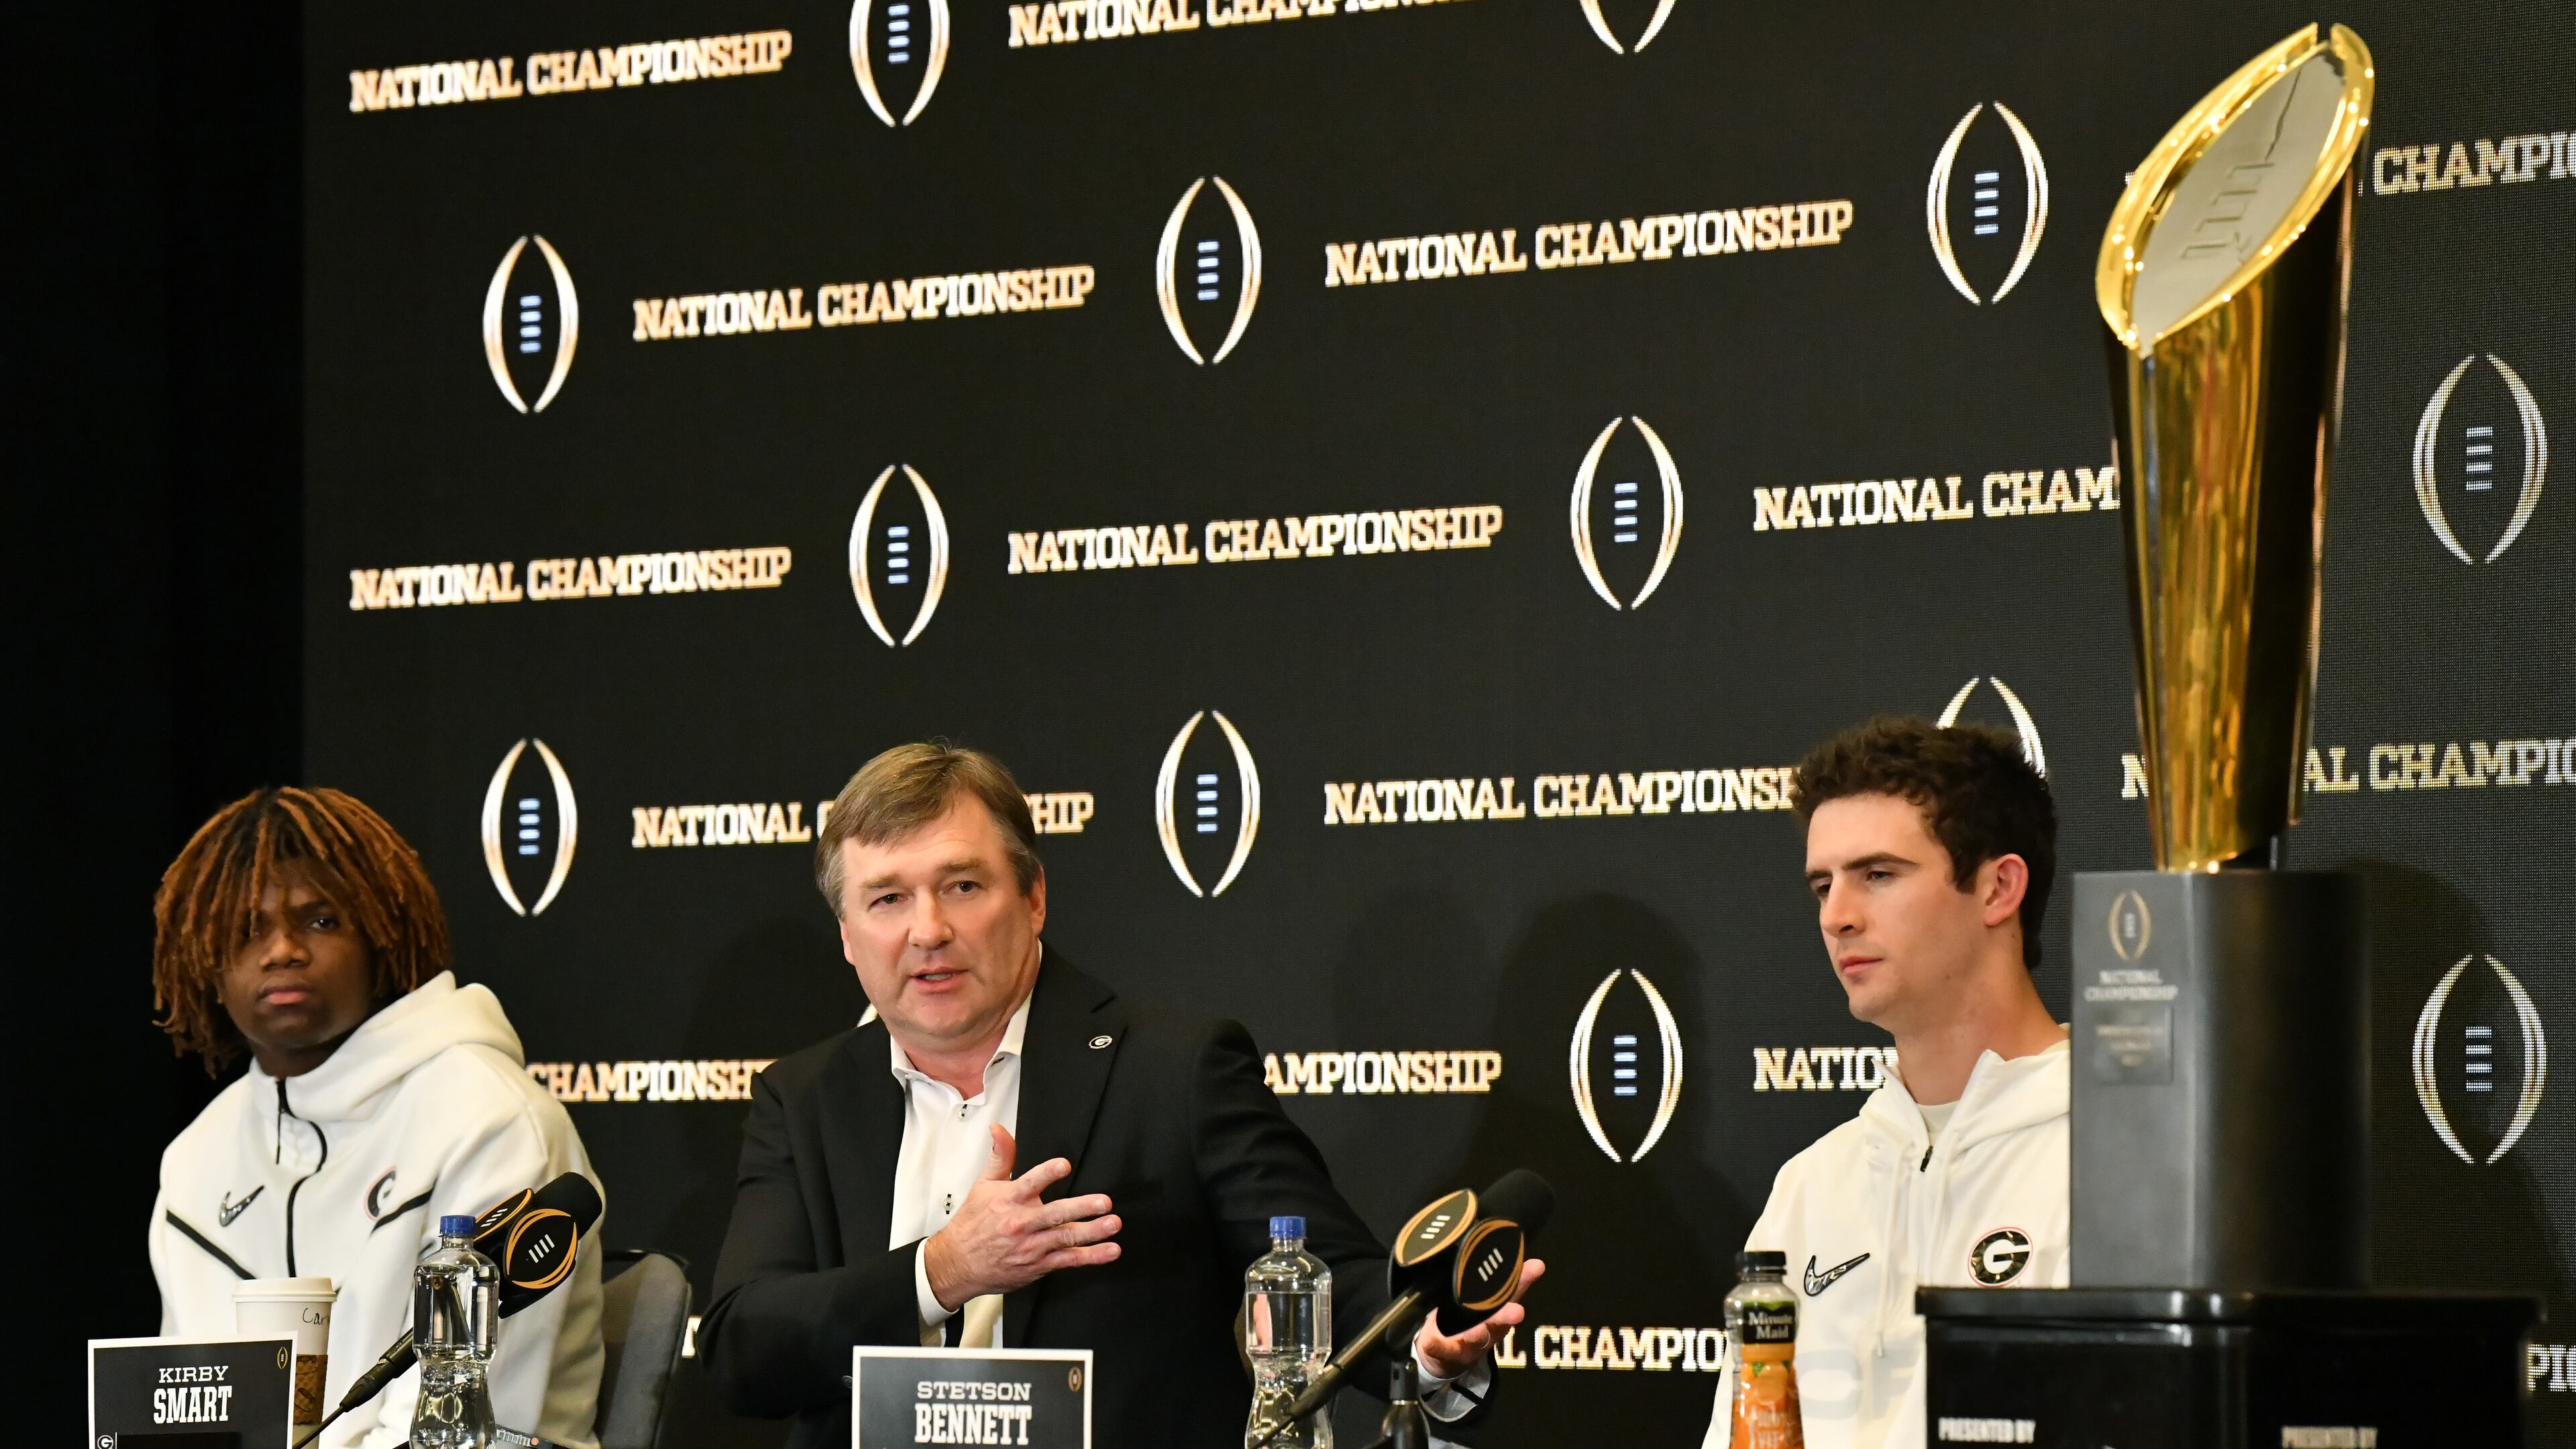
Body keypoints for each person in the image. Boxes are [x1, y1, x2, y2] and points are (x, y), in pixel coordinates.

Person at [699, 743, 1541, 1448]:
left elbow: (1333, 1280)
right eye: (887, 899)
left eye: (962, 886)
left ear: (1033, 898)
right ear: (849, 938)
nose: (928, 931)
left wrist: (1427, 1352)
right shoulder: (803, 1099)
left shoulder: (1173, 1070)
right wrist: (942, 1270)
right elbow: (744, 1346)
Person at [146, 787, 604, 1449]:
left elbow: (459, 1431)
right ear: (207, 968)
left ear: (382, 943)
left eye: (322, 922)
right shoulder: (196, 1160)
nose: (282, 951)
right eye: (248, 930)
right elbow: (188, 1418)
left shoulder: (488, 1120)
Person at [1704, 718, 2069, 1449]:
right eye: (1822, 886)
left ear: (1999, 888)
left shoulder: (2125, 1163)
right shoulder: (1811, 1186)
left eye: (1877, 875)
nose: (1836, 917)